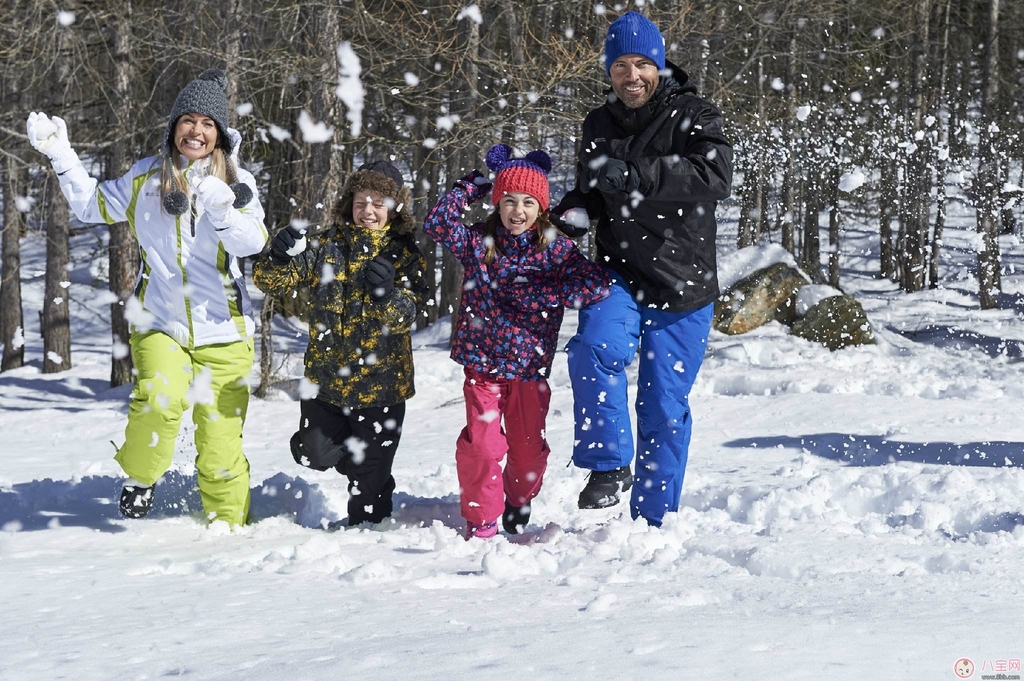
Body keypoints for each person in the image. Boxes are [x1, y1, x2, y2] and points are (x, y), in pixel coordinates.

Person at [25, 69, 268, 526]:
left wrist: (220, 211)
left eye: (207, 124)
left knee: (220, 443)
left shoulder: (241, 183)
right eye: (188, 120)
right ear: (174, 126)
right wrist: (61, 153)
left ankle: (230, 527)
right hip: (161, 323)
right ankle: (141, 476)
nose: (196, 131)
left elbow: (253, 241)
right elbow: (89, 204)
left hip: (226, 332)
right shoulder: (146, 180)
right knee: (159, 401)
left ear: (219, 135)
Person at [550, 11, 734, 526]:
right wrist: (573, 210)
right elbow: (590, 188)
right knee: (591, 350)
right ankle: (608, 466)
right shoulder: (597, 124)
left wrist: (636, 174)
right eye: (620, 66)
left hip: (683, 284)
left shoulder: (694, 113)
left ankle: (652, 523)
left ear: (659, 65)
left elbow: (715, 175)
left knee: (662, 409)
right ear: (608, 72)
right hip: (619, 273)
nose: (632, 76)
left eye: (642, 64)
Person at [424, 144, 612, 539]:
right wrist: (466, 188)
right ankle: (482, 521)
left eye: (528, 201)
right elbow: (438, 224)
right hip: (483, 366)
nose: (518, 210)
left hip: (529, 369)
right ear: (497, 203)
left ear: (540, 207)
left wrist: (544, 295)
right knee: (483, 446)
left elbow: (595, 285)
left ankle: (518, 497)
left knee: (527, 453)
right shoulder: (481, 243)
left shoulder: (555, 249)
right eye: (509, 200)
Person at [253, 161, 428, 527]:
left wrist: (385, 296)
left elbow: (409, 313)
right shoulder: (326, 245)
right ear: (349, 201)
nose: (368, 210)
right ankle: (366, 466)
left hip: (382, 389)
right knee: (312, 455)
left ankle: (369, 538)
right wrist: (277, 255)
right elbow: (274, 283)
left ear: (395, 208)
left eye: (379, 202)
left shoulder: (407, 254)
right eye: (361, 200)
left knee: (369, 500)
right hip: (326, 385)